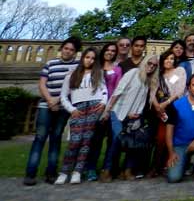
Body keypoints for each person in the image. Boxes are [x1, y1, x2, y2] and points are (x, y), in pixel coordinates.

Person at [54, 47, 108, 185]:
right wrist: (71, 109)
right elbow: (63, 96)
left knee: (86, 142)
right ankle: (64, 171)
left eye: (93, 58)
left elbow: (104, 91)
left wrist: (102, 103)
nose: (89, 60)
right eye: (87, 57)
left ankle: (77, 171)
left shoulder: (98, 73)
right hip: (78, 108)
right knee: (74, 141)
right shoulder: (72, 75)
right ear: (83, 57)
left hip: (94, 107)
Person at [101, 55, 157, 180]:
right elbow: (118, 91)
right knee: (116, 140)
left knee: (133, 142)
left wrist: (137, 114)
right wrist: (107, 110)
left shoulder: (149, 80)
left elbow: (143, 100)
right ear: (144, 62)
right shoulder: (133, 73)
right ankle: (107, 170)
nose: (151, 66)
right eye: (149, 63)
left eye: (154, 65)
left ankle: (127, 170)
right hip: (119, 112)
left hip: (135, 116)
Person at [84, 42, 122, 181]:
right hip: (95, 107)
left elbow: (118, 90)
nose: (110, 52)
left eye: (113, 51)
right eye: (108, 50)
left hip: (111, 108)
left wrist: (108, 108)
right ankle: (90, 168)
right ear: (104, 51)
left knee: (112, 140)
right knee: (95, 140)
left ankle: (107, 168)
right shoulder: (95, 67)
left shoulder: (117, 69)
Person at [151, 49, 186, 177]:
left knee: (171, 137)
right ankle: (156, 166)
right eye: (166, 58)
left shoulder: (179, 71)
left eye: (171, 58)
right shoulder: (157, 74)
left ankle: (170, 164)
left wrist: (166, 103)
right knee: (160, 138)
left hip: (174, 108)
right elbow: (152, 91)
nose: (169, 61)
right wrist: (157, 106)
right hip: (159, 110)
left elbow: (180, 91)